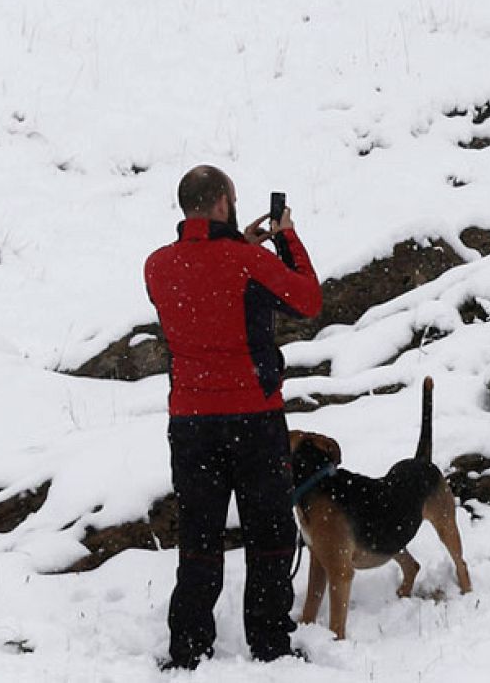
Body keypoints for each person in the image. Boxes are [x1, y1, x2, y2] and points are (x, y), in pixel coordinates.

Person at [144, 165, 322, 669]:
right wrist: (284, 238)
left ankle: (188, 649)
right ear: (223, 201)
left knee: (199, 536)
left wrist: (239, 248)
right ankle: (269, 644)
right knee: (269, 534)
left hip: (191, 422)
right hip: (254, 419)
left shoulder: (158, 266)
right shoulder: (246, 261)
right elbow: (306, 299)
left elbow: (205, 285)